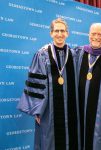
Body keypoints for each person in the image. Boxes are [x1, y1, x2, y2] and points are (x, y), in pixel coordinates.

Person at [18, 18, 80, 150]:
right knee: (49, 142)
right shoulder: (42, 55)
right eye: (56, 31)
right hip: (50, 111)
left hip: (71, 110)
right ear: (51, 33)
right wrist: (37, 111)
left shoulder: (74, 55)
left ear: (67, 33)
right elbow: (36, 83)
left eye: (62, 31)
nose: (59, 34)